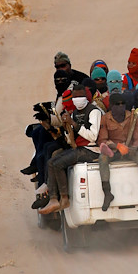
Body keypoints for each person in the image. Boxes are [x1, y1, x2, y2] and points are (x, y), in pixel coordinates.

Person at [39, 85, 103, 214]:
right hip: (80, 148)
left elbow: (92, 136)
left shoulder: (94, 111)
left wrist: (74, 124)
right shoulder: (74, 113)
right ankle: (54, 199)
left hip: (91, 150)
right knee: (51, 162)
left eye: (80, 96)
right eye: (75, 97)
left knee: (57, 164)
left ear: (86, 97)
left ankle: (63, 198)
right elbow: (71, 138)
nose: (78, 99)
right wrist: (66, 126)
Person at [97, 93, 138, 211]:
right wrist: (118, 146)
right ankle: (107, 193)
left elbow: (137, 138)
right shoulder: (105, 119)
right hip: (114, 150)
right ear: (111, 106)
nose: (120, 107)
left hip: (130, 149)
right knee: (103, 158)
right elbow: (103, 140)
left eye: (122, 104)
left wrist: (134, 147)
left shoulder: (132, 117)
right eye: (117, 104)